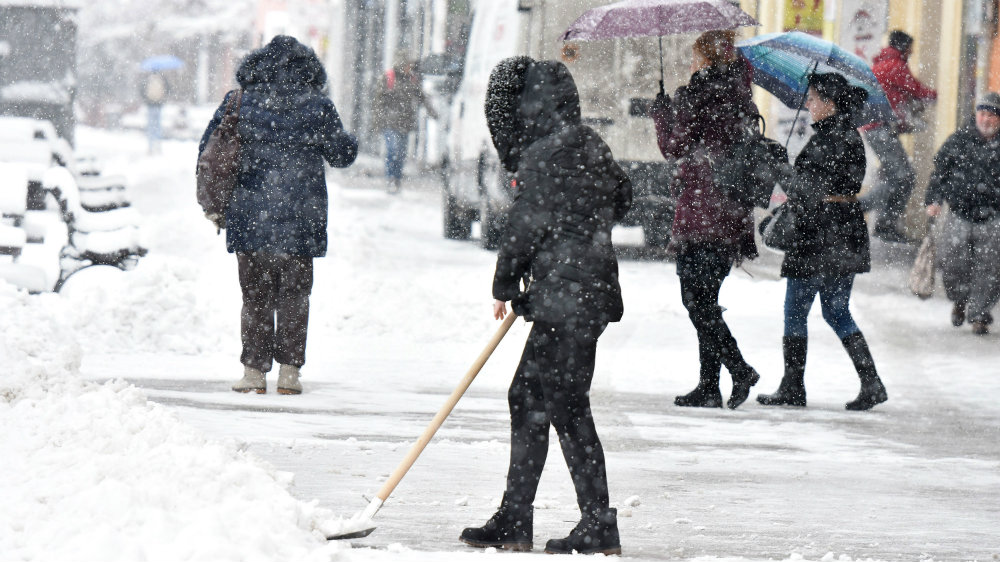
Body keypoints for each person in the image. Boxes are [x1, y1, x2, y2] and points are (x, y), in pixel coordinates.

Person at [459, 57, 632, 555]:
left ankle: (597, 523)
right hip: (583, 292)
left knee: (566, 405)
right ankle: (517, 517)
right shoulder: (588, 144)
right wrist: (580, 223)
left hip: (568, 296)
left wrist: (505, 282)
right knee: (529, 398)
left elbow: (524, 226)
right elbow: (623, 197)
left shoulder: (541, 156)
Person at [198, 35, 358, 395]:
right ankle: (289, 373)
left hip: (250, 214)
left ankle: (253, 372)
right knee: (295, 297)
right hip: (301, 216)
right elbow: (342, 155)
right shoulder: (317, 106)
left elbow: (208, 148)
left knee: (254, 296)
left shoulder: (238, 102)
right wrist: (351, 139)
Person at [756, 73, 888, 411]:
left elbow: (807, 191)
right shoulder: (846, 135)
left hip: (819, 235)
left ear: (829, 103)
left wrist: (780, 167)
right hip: (843, 232)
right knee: (837, 311)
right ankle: (870, 382)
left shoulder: (832, 139)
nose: (809, 105)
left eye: (813, 99)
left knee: (795, 310)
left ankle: (793, 386)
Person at [648, 30, 762, 409]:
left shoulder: (700, 94)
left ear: (706, 58)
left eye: (695, 56)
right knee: (707, 301)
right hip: (730, 211)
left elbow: (673, 148)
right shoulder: (740, 93)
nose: (690, 63)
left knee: (695, 301)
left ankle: (739, 369)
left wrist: (662, 115)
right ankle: (709, 386)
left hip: (702, 209)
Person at [924, 92, 1000, 335]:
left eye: (991, 115)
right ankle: (959, 299)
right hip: (960, 212)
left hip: (994, 216)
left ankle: (979, 315)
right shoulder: (959, 139)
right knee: (954, 264)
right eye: (983, 113)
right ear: (976, 114)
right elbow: (939, 172)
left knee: (990, 267)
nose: (986, 119)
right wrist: (934, 200)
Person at [860, 30, 938, 243]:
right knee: (904, 177)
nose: (912, 52)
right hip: (880, 128)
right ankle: (860, 209)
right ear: (904, 47)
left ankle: (884, 224)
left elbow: (899, 95)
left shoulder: (883, 63)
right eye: (911, 48)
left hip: (876, 127)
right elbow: (917, 90)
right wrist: (936, 95)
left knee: (894, 176)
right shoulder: (895, 66)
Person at [371, 56, 438, 193]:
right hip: (389, 122)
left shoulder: (412, 80)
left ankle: (396, 178)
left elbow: (422, 97)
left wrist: (433, 113)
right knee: (392, 151)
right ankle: (391, 178)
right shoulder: (389, 78)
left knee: (401, 153)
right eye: (408, 65)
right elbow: (378, 101)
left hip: (405, 123)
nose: (410, 68)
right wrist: (377, 121)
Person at [141, 72, 169, 154]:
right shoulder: (162, 79)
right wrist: (163, 99)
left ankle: (150, 147)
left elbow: (142, 90)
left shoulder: (148, 79)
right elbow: (168, 89)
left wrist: (146, 99)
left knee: (151, 126)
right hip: (159, 105)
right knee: (158, 126)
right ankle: (158, 146)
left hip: (150, 105)